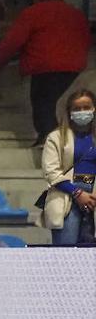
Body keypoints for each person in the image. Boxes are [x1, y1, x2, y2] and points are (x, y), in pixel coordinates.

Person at [0, 0, 91, 146]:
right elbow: (87, 39)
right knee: (56, 103)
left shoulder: (33, 13)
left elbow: (13, 41)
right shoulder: (76, 13)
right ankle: (54, 138)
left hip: (44, 65)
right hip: (74, 67)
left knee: (42, 102)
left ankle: (48, 139)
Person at [41, 88, 96, 245]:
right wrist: (78, 193)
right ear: (69, 112)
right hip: (67, 194)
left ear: (94, 108)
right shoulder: (56, 137)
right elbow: (51, 172)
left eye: (86, 107)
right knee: (66, 250)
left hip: (94, 194)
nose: (82, 111)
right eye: (77, 108)